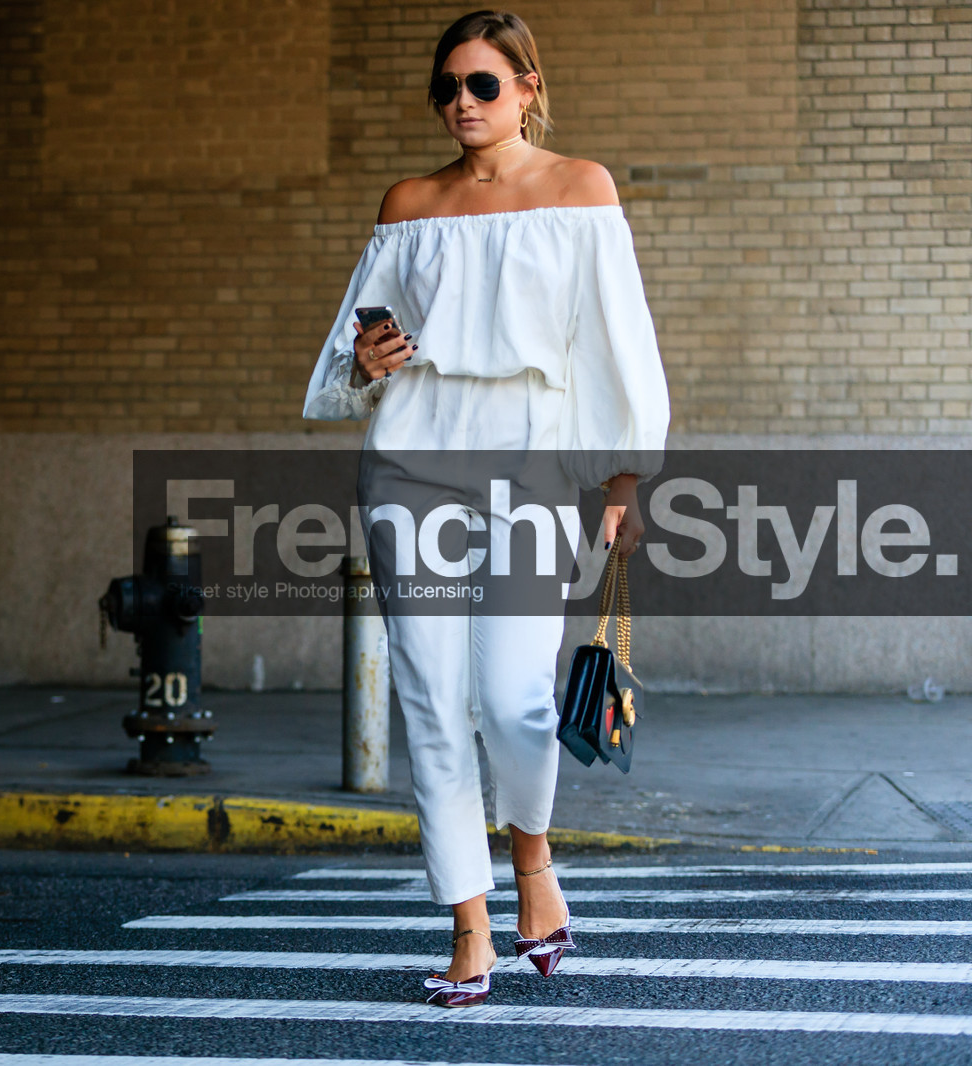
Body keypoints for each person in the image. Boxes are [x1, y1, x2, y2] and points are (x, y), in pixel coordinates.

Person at [300, 10, 671, 1007]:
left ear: (528, 87)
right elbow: (345, 356)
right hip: (411, 466)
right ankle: (468, 925)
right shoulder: (408, 202)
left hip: (530, 463)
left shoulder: (578, 188)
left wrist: (623, 476)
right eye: (449, 88)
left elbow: (615, 340)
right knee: (429, 698)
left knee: (512, 698)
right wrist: (360, 363)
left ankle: (533, 862)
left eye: (483, 85)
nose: (462, 103)